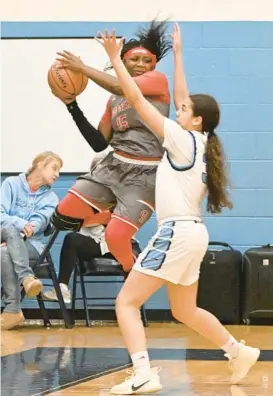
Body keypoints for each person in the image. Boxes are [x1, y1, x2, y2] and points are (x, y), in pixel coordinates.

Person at [96, 24, 260, 394]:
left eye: (183, 109)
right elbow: (185, 94)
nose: (178, 107)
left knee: (126, 302)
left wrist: (112, 59)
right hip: (194, 234)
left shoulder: (182, 139)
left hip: (176, 232)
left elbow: (137, 101)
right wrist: (181, 54)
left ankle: (143, 374)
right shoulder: (199, 141)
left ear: (195, 119)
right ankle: (237, 350)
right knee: (185, 310)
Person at [51, 20, 172, 273]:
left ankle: (133, 272)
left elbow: (120, 84)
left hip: (145, 174)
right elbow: (98, 143)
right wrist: (71, 104)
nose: (141, 65)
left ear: (154, 65)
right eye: (134, 59)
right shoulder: (114, 99)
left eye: (146, 60)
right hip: (114, 166)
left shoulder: (157, 82)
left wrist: (82, 68)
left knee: (117, 238)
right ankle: (109, 213)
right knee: (62, 216)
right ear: (124, 62)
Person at [1, 151, 62, 330]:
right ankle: (26, 277)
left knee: (4, 252)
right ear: (40, 164)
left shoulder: (51, 198)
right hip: (2, 234)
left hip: (31, 245)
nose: (57, 174)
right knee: (10, 230)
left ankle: (13, 309)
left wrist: (21, 234)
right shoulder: (11, 184)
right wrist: (20, 224)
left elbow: (40, 222)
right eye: (54, 168)